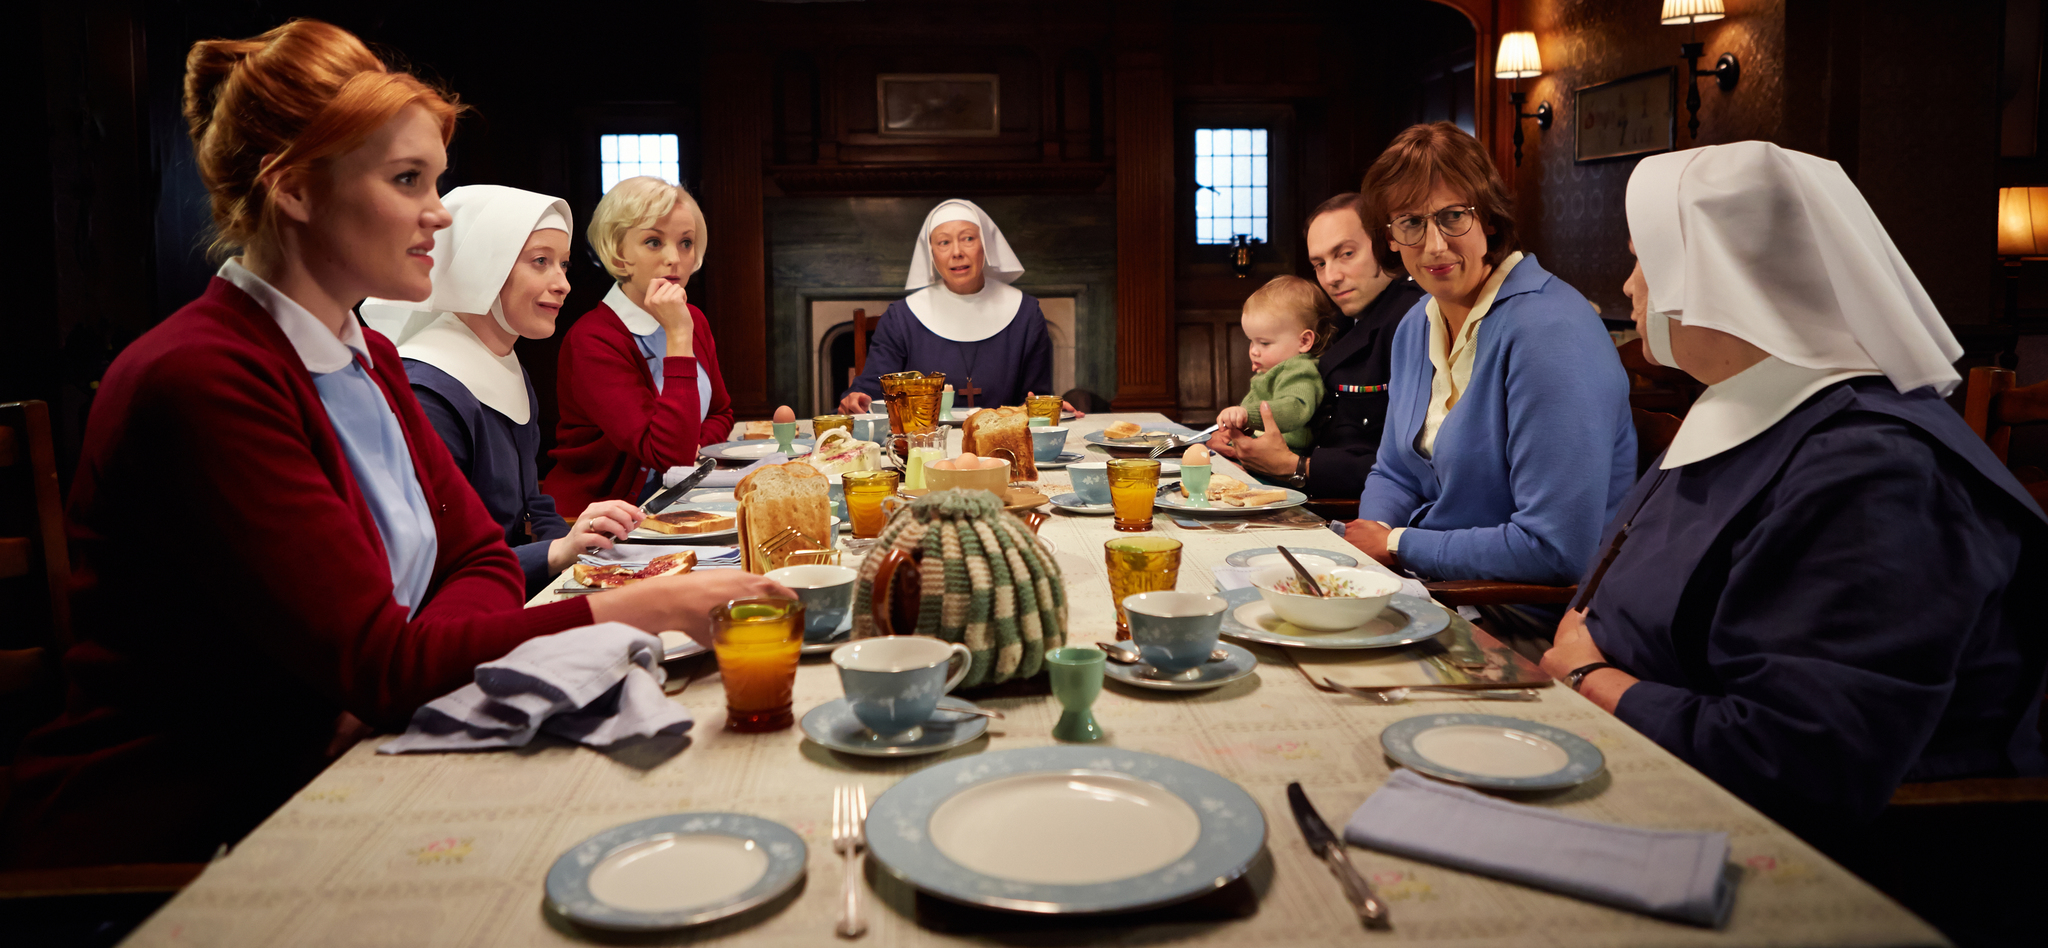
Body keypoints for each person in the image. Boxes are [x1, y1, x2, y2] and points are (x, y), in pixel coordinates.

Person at [1, 20, 787, 868]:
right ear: (295, 188)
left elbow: (479, 563)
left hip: (329, 766)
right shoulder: (203, 376)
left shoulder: (365, 351)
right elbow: (385, 660)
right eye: (407, 179)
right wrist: (636, 608)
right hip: (171, 841)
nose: (438, 214)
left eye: (436, 181)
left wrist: (393, 667)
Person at [1538, 141, 2046, 850]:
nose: (1629, 287)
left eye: (1643, 258)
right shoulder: (1757, 410)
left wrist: (1593, 678)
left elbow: (1801, 762)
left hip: (1875, 864)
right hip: (1657, 777)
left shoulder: (1876, 473)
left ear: (1725, 276)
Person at [1345, 124, 1634, 644]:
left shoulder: (1550, 330)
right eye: (1410, 222)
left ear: (1489, 217)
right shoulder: (1417, 323)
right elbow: (1393, 473)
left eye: (1453, 216)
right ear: (1389, 237)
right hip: (1433, 592)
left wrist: (1396, 546)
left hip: (1521, 621)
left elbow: (1555, 547)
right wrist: (1370, 555)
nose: (1434, 244)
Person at [360, 186, 643, 596]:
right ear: (482, 266)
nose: (562, 283)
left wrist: (571, 546)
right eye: (540, 262)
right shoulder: (427, 391)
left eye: (563, 264)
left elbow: (534, 504)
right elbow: (438, 557)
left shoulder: (504, 364)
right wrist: (554, 552)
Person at [1209, 193, 1425, 497]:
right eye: (1320, 263)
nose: (1331, 277)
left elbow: (1413, 464)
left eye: (1346, 254)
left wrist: (1294, 466)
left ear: (1385, 241)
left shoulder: (1413, 318)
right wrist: (1241, 439)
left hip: (1356, 507)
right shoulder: (1339, 319)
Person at [543, 176, 734, 513]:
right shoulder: (594, 338)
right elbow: (667, 455)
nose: (675, 258)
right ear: (619, 252)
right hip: (596, 522)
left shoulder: (691, 319)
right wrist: (677, 337)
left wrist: (694, 443)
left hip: (677, 505)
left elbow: (721, 412)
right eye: (653, 242)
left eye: (686, 243)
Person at [838, 199, 1079, 415]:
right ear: (931, 253)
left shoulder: (1025, 313)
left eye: (968, 239)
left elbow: (1034, 396)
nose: (957, 253)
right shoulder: (902, 317)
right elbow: (872, 390)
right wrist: (856, 399)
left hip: (1002, 446)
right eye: (944, 242)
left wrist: (1044, 407)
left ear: (986, 245)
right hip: (924, 446)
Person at [1214, 275, 1333, 452]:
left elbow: (1295, 409)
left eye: (1264, 343)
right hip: (1262, 452)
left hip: (1287, 457)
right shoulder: (1269, 372)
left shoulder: (1301, 370)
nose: (1254, 350)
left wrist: (1246, 415)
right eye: (1251, 341)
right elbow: (1250, 409)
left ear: (1304, 341)